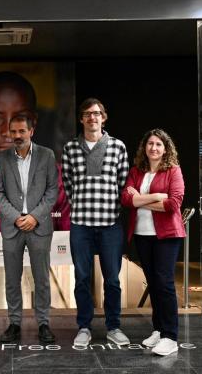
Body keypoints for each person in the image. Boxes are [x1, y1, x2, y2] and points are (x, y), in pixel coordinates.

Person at [61, 98, 130, 348]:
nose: (93, 118)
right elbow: (68, 184)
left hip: (110, 224)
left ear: (104, 117)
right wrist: (81, 204)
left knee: (112, 278)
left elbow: (123, 185)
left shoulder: (118, 147)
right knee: (82, 277)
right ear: (81, 119)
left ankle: (114, 326)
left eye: (97, 113)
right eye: (88, 114)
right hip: (80, 224)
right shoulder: (70, 148)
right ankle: (84, 327)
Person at [0, 70, 69, 232]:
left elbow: (67, 241)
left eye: (20, 118)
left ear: (33, 123)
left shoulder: (56, 176)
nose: (9, 130)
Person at [0, 114, 58, 343]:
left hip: (39, 226)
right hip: (13, 227)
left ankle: (43, 324)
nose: (17, 136)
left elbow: (52, 192)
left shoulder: (47, 155)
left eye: (22, 131)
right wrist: (16, 217)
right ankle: (14, 323)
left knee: (42, 278)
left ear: (31, 131)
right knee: (12, 278)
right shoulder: (1, 160)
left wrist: (34, 217)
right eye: (14, 132)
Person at [120, 128, 185, 356]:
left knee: (164, 283)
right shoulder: (137, 171)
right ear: (144, 148)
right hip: (142, 234)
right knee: (153, 283)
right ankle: (158, 329)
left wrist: (140, 199)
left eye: (158, 144)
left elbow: (173, 204)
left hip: (167, 235)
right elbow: (127, 199)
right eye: (150, 144)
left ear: (165, 148)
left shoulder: (173, 170)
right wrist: (156, 197)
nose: (154, 148)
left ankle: (170, 336)